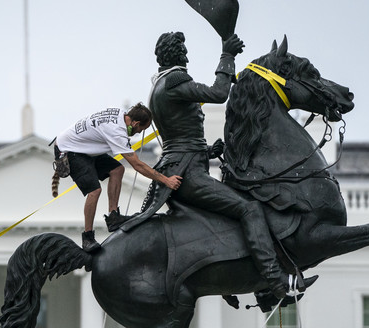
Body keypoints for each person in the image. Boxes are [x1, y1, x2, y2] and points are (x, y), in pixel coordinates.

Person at [118, 31, 288, 299]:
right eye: (184, 51)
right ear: (178, 55)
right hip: (187, 176)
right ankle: (274, 281)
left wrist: (208, 151)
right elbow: (219, 93)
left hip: (182, 165)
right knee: (250, 208)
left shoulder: (159, 87)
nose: (187, 56)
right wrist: (227, 55)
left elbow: (178, 139)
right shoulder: (174, 82)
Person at [54, 103, 182, 252]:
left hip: (84, 148)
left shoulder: (121, 114)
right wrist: (166, 180)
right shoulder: (116, 132)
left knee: (117, 169)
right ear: (135, 123)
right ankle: (87, 237)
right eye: (141, 129)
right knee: (94, 191)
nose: (139, 133)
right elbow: (137, 165)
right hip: (69, 151)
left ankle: (113, 216)